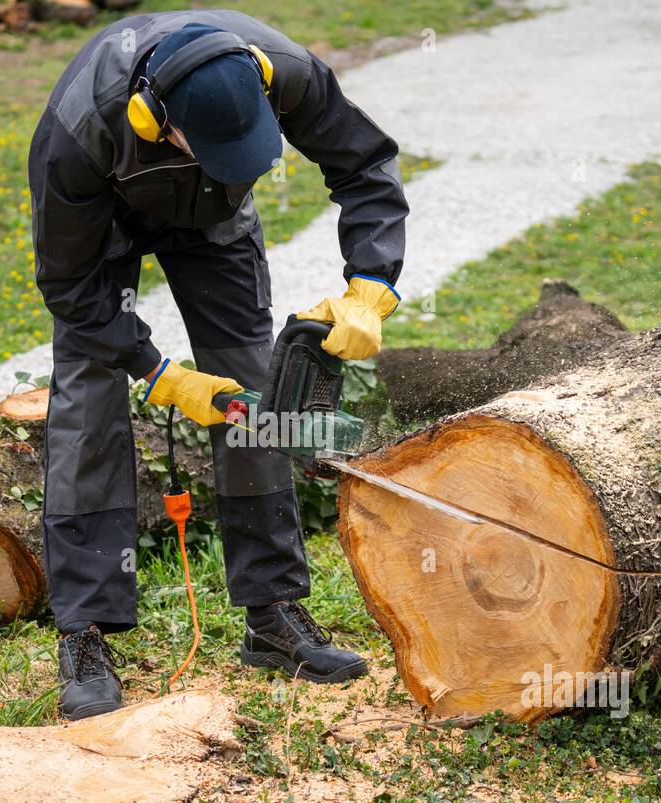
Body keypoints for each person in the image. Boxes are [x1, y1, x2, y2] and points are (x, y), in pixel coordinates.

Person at [28, 10, 409, 720]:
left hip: (213, 216)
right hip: (104, 221)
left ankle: (273, 612)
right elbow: (70, 289)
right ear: (153, 120)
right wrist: (158, 370)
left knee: (250, 396)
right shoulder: (79, 133)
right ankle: (84, 633)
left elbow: (363, 162)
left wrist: (372, 282)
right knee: (88, 395)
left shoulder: (285, 72)